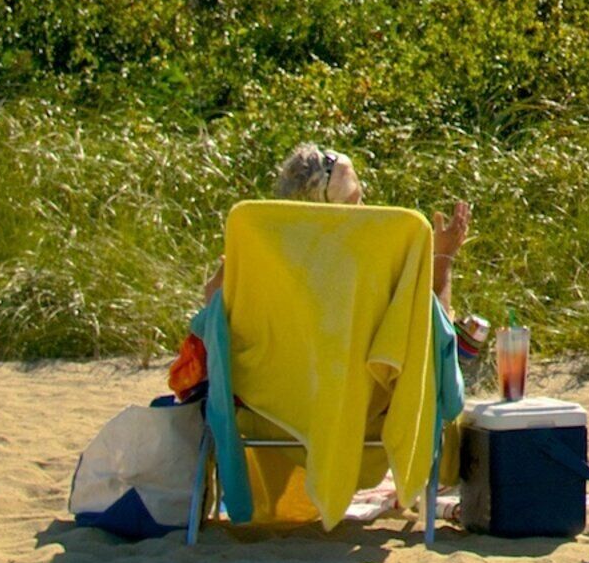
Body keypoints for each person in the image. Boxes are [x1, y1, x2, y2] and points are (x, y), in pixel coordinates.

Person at [195, 144, 473, 524]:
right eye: (356, 202)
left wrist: (225, 277)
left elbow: (213, 321)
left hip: (264, 416)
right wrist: (442, 260)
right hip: (368, 422)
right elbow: (433, 334)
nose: (363, 212)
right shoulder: (378, 259)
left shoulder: (261, 249)